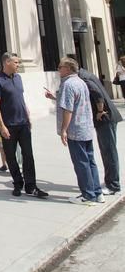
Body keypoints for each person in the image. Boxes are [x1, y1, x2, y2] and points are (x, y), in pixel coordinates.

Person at [45, 57, 103, 205]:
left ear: (68, 68)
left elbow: (68, 109)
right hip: (86, 128)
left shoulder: (68, 84)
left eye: (60, 67)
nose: (58, 69)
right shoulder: (80, 82)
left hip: (76, 130)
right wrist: (54, 97)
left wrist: (64, 129)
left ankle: (88, 195)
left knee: (81, 163)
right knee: (90, 161)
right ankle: (97, 192)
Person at [0, 53, 48, 198]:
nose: (18, 65)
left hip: (23, 123)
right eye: (16, 62)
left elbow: (20, 98)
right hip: (8, 125)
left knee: (28, 155)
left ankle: (31, 186)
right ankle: (18, 183)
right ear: (7, 63)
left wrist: (28, 116)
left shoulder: (18, 78)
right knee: (11, 157)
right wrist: (2, 126)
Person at [78, 65, 122, 194]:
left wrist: (100, 111)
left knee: (108, 151)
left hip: (105, 118)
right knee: (108, 151)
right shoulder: (86, 74)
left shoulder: (83, 78)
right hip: (107, 118)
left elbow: (97, 93)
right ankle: (111, 180)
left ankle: (113, 185)